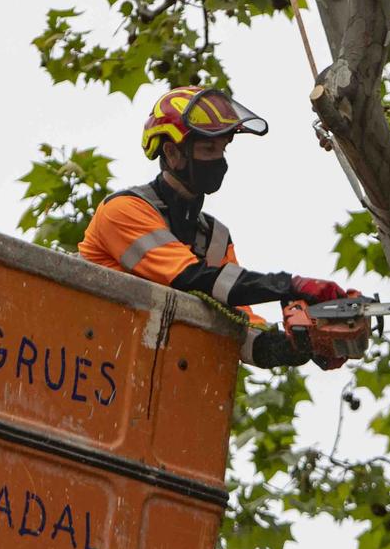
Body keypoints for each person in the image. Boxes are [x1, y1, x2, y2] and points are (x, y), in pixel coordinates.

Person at [79, 86, 352, 369]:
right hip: (93, 359)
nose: (219, 160)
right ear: (172, 153)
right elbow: (189, 277)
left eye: (223, 148)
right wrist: (288, 286)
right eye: (208, 148)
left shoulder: (213, 238)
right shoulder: (123, 211)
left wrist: (301, 345)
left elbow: (237, 328)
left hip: (155, 375)